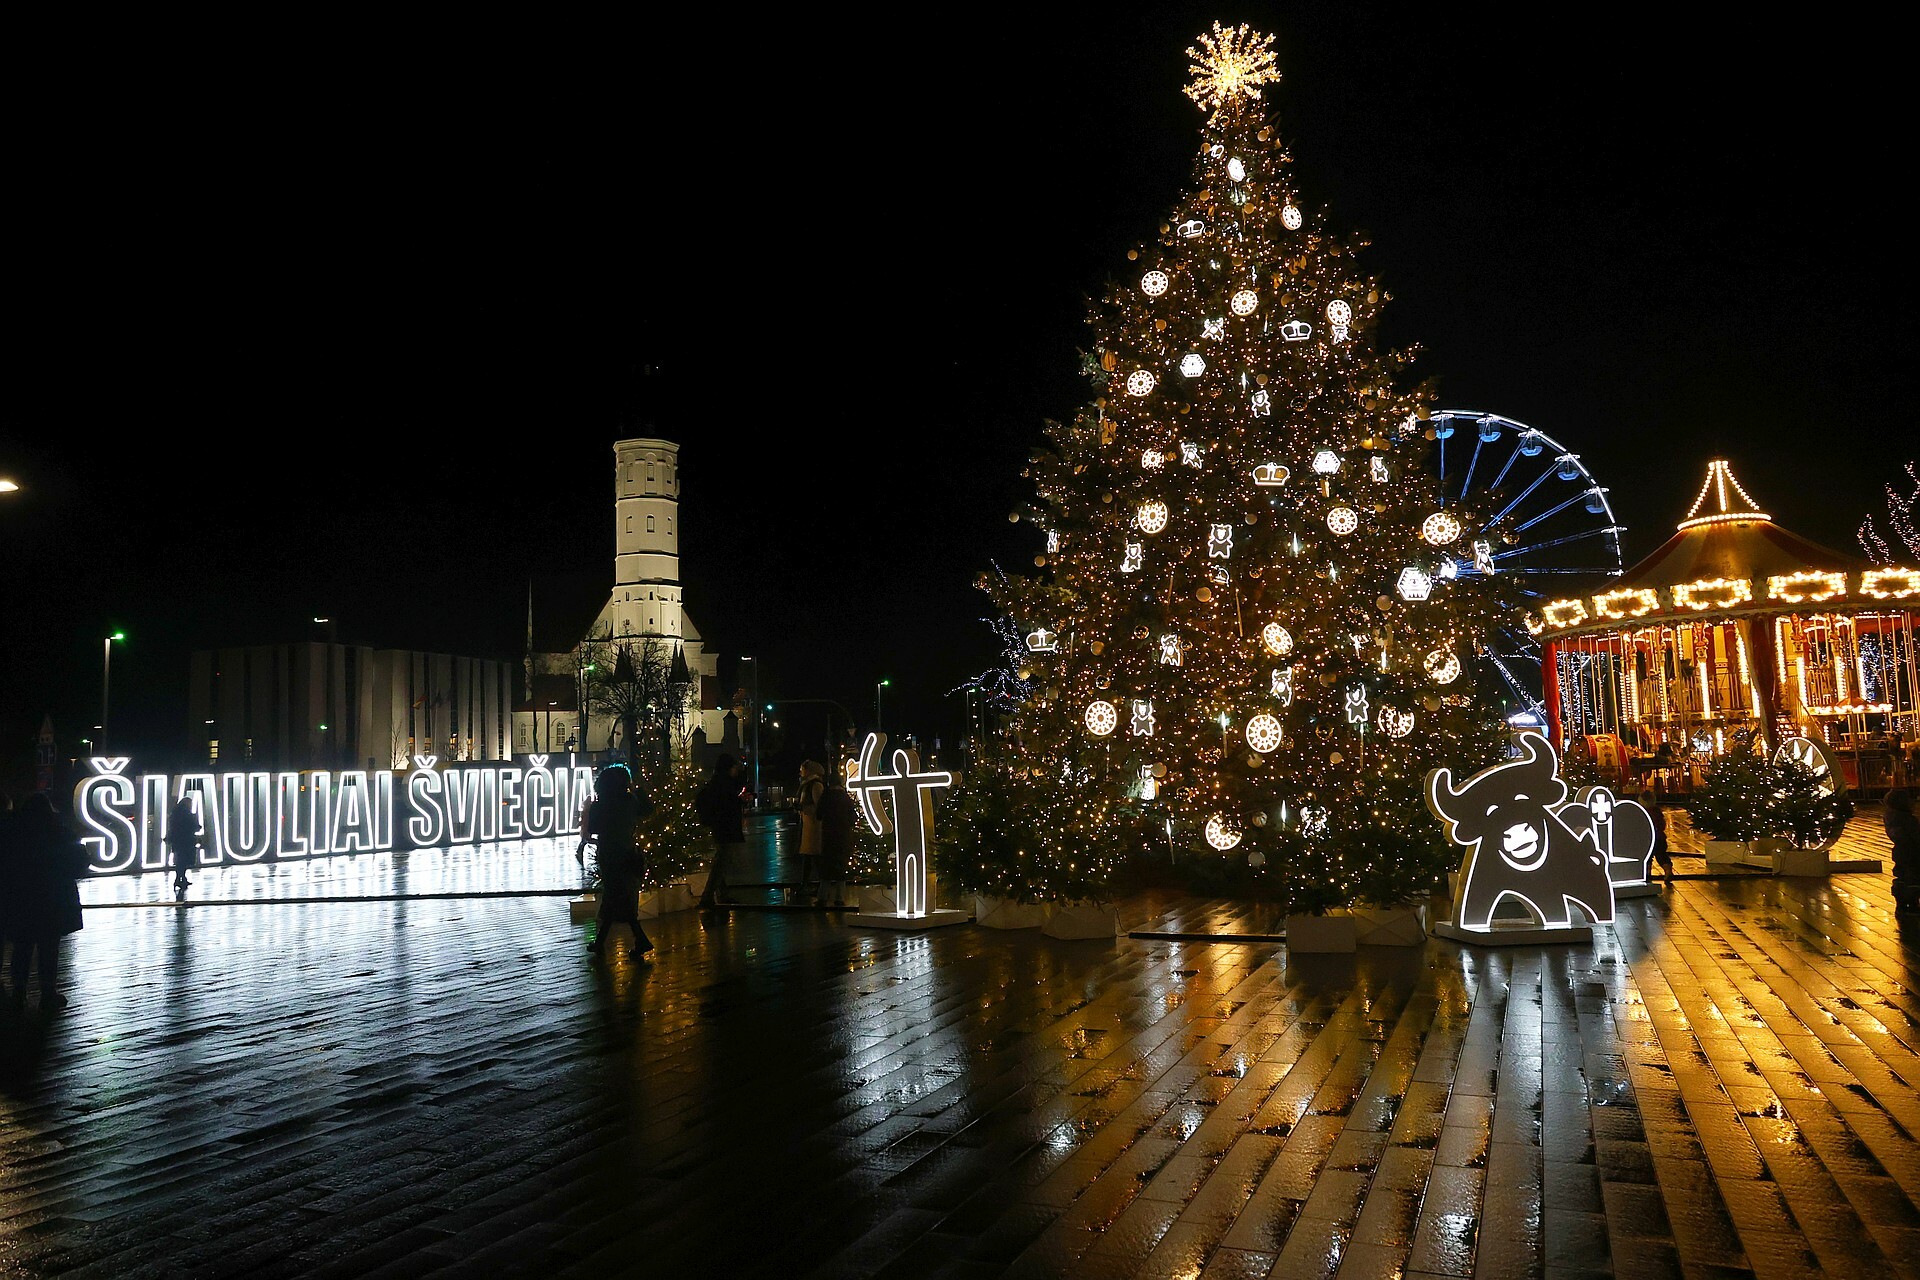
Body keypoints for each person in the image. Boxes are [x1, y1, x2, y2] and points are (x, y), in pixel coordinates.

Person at [9, 793, 85, 1011]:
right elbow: (79, 861)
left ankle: (18, 992)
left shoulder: (14, 832)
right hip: (53, 901)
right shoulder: (59, 832)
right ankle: (48, 993)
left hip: (21, 899)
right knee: (49, 949)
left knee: (22, 948)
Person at [579, 764, 654, 961]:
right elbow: (648, 811)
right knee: (616, 896)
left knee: (614, 895)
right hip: (628, 851)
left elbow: (593, 828)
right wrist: (639, 790)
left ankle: (639, 939)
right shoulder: (631, 801)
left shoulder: (601, 804)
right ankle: (602, 941)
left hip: (609, 854)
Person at [696, 755, 745, 908]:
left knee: (721, 860)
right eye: (734, 767)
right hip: (726, 827)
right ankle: (708, 896)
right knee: (722, 861)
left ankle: (720, 894)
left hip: (720, 826)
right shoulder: (724, 784)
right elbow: (728, 805)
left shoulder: (716, 782)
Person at [816, 764, 856, 909]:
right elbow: (853, 817)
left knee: (826, 867)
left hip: (828, 834)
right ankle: (839, 898)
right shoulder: (845, 797)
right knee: (841, 866)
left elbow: (818, 815)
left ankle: (822, 897)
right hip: (843, 835)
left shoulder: (826, 796)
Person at [794, 760, 826, 906]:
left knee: (813, 856)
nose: (800, 771)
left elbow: (820, 806)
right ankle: (807, 884)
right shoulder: (808, 784)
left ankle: (818, 885)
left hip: (813, 825)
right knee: (808, 855)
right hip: (808, 824)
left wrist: (804, 808)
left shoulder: (815, 785)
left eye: (802, 769)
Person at [1885, 789, 1920, 914]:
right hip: (1913, 852)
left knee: (1901, 874)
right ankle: (1912, 900)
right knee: (1913, 876)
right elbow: (1916, 836)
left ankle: (1900, 899)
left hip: (1899, 851)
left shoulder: (1891, 818)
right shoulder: (1909, 820)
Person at [166, 796, 202, 903]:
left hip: (177, 841)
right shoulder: (187, 814)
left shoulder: (175, 814)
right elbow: (193, 826)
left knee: (179, 860)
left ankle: (180, 879)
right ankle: (181, 879)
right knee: (184, 860)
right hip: (187, 840)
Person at [1643, 792, 1676, 884]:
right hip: (1660, 838)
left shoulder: (1643, 812)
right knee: (1662, 856)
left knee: (1647, 858)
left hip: (1648, 839)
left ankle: (1647, 874)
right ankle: (1668, 871)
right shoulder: (1657, 811)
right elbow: (1662, 824)